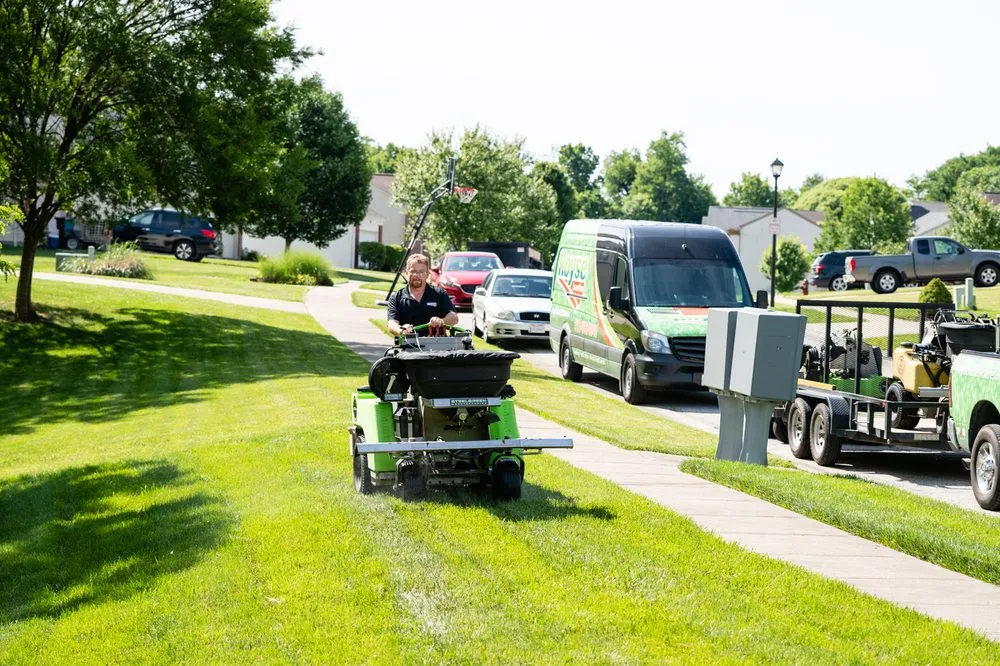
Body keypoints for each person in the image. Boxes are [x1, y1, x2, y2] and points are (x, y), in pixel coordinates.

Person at [387, 254, 459, 337]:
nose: (416, 275)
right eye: (413, 271)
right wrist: (401, 330)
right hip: (408, 345)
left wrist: (441, 321)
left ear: (427, 274)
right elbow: (391, 323)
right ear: (406, 273)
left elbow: (454, 318)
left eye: (421, 272)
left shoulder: (439, 294)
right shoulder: (397, 297)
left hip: (437, 345)